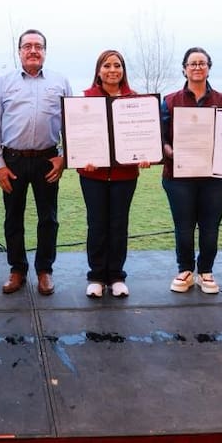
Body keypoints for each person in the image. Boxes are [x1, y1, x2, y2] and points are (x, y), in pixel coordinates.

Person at [0, 29, 72, 296]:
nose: (33, 50)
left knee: (48, 218)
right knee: (13, 218)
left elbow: (73, 123)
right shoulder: (3, 82)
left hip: (48, 159)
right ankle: (17, 270)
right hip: (12, 160)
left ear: (45, 51)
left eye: (38, 46)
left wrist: (64, 157)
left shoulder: (60, 81)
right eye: (28, 46)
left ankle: (44, 270)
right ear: (20, 51)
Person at [77, 49, 150, 298]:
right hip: (93, 176)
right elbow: (77, 137)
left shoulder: (135, 100)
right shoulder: (86, 99)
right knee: (96, 225)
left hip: (124, 176)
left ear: (123, 70)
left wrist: (145, 154)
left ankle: (117, 276)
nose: (112, 70)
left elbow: (144, 136)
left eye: (117, 65)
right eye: (106, 66)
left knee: (119, 225)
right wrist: (80, 162)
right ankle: (96, 276)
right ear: (99, 71)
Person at [160, 47, 222, 295]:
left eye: (202, 63)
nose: (197, 67)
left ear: (209, 68)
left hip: (215, 178)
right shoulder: (170, 101)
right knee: (184, 226)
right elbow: (161, 138)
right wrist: (169, 152)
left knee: (211, 226)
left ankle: (206, 271)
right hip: (179, 176)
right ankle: (185, 270)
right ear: (184, 69)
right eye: (192, 64)